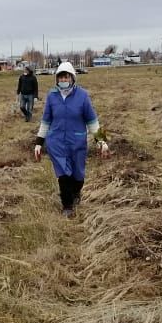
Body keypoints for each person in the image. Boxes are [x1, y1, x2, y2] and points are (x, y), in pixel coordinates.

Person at [33, 61, 109, 217]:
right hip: (57, 142)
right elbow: (46, 121)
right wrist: (39, 143)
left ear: (73, 78)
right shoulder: (52, 96)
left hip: (77, 142)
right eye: (60, 78)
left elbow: (92, 121)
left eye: (66, 77)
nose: (63, 80)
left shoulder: (82, 96)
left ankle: (76, 193)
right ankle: (67, 206)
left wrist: (102, 141)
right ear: (56, 79)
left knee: (78, 176)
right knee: (64, 175)